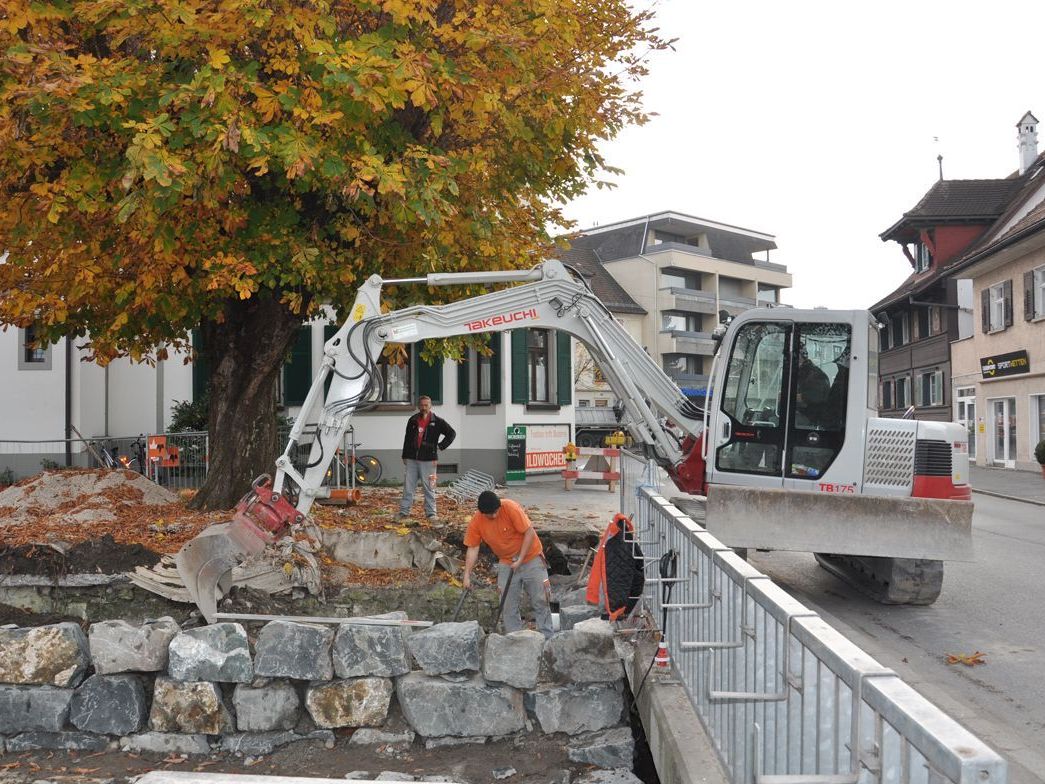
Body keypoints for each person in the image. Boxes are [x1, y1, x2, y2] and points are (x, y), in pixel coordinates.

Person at [462, 490, 554, 638]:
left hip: (531, 557)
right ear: (481, 512)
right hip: (506, 561)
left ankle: (547, 637)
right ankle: (514, 639)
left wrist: (520, 558)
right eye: (489, 514)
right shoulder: (477, 521)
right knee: (507, 604)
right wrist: (466, 574)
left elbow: (529, 532)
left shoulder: (510, 508)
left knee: (541, 599)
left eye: (496, 512)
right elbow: (473, 547)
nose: (493, 516)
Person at [395, 395, 456, 523]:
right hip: (412, 459)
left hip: (429, 460)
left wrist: (440, 446)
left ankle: (431, 514)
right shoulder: (412, 420)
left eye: (426, 405)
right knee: (408, 487)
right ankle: (403, 512)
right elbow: (407, 439)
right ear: (418, 406)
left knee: (429, 488)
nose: (423, 408)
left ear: (430, 406)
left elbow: (451, 434)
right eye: (421, 405)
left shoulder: (438, 421)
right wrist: (404, 455)